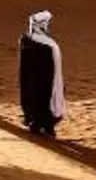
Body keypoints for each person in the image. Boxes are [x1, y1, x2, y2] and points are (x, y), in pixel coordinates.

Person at [19, 9, 65, 137]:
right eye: (45, 23)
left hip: (47, 78)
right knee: (39, 99)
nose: (47, 26)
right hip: (37, 79)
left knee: (47, 99)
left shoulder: (39, 41)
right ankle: (40, 124)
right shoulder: (31, 42)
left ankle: (44, 124)